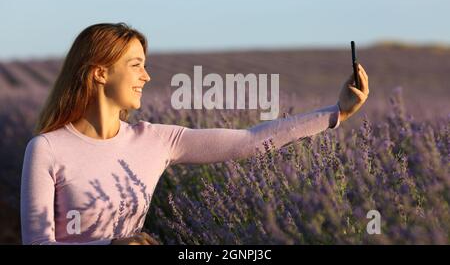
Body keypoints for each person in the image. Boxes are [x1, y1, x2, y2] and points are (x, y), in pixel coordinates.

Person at [20, 23, 369, 245]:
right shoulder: (48, 148)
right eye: (136, 64)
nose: (147, 76)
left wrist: (337, 112)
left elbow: (250, 141)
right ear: (99, 73)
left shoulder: (155, 140)